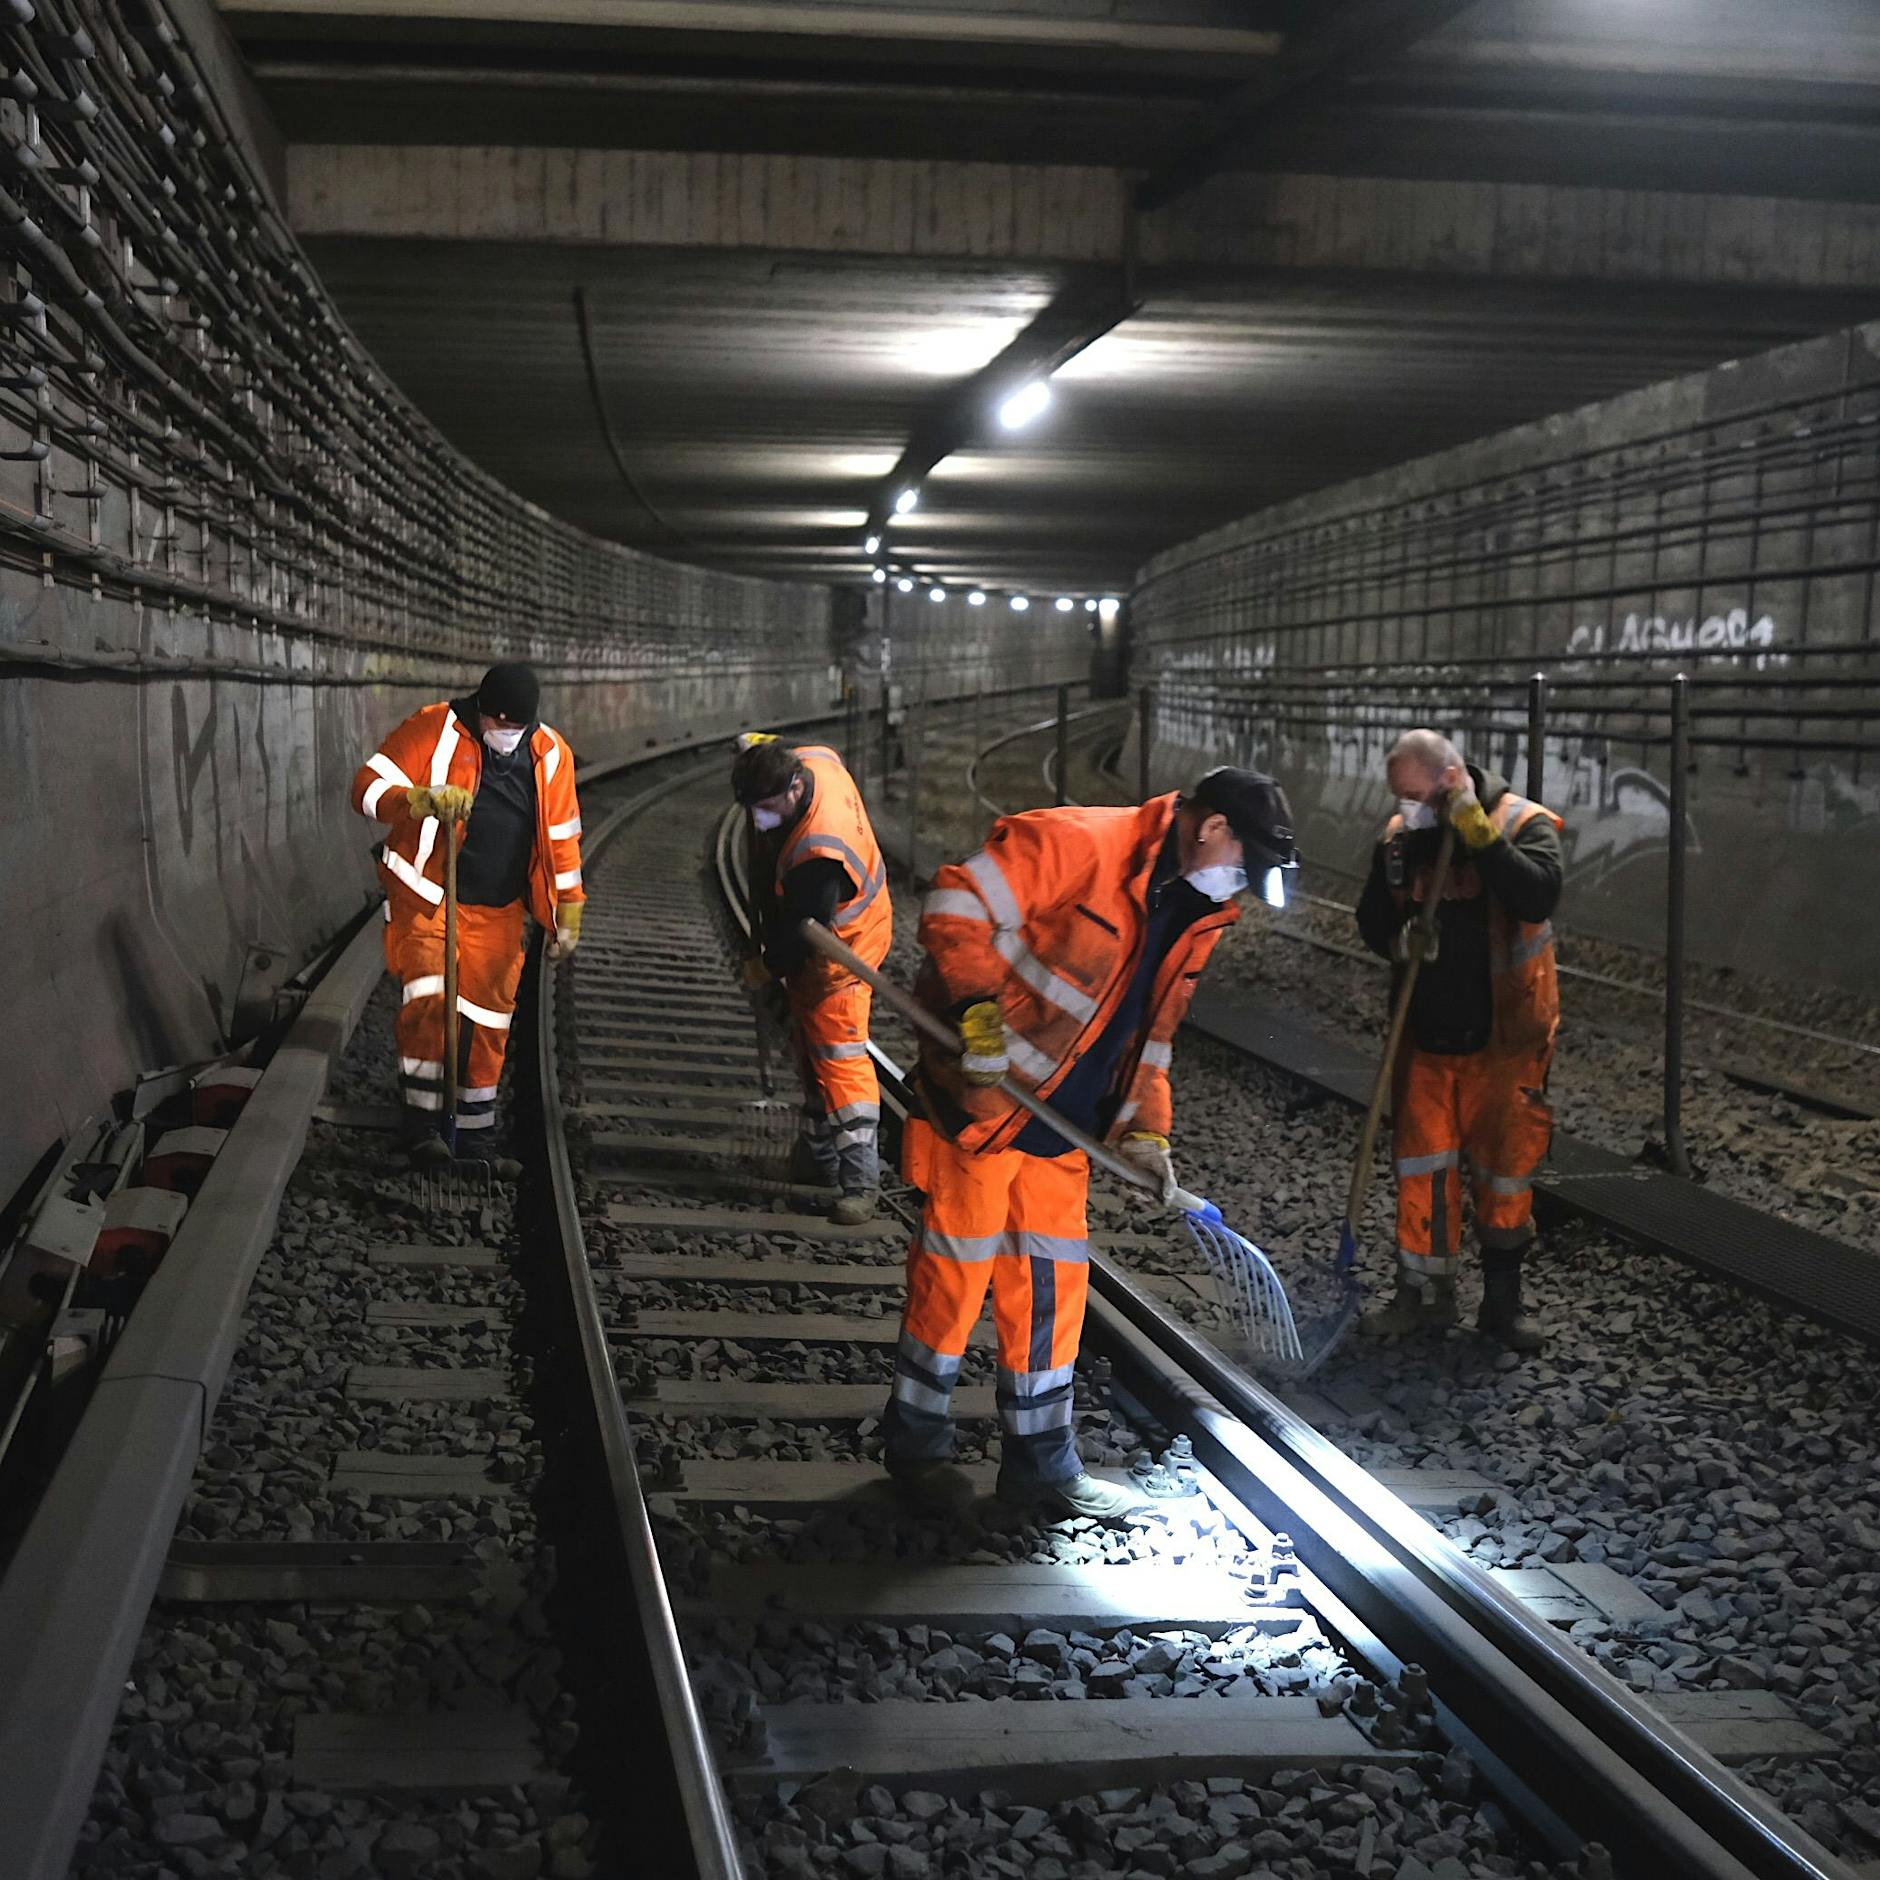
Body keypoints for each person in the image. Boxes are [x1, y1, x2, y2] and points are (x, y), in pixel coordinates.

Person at [883, 768, 1297, 1518]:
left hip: (1062, 1129)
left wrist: (1146, 1131)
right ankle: (915, 1446)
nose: (1237, 887)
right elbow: (954, 902)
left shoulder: (1196, 914)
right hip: (981, 1106)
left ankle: (1041, 1465)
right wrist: (978, 1013)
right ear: (1212, 830)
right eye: (1242, 865)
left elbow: (1152, 1040)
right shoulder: (1079, 842)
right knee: (955, 1278)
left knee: (1050, 1292)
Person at [1354, 729, 1564, 1350]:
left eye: (1415, 796)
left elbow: (1538, 894)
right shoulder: (1400, 839)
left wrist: (1475, 830)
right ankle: (1422, 1300)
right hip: (1425, 1039)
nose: (1405, 808)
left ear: (1450, 781)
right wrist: (1398, 938)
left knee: (1504, 1176)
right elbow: (1371, 920)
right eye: (1399, 797)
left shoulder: (1521, 823)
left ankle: (1503, 1306)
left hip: (1506, 1039)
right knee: (1422, 1174)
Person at [351, 661, 584, 1164]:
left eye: (516, 728)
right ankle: (421, 1129)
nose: (507, 736)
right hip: (428, 896)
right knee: (431, 1001)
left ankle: (473, 1138)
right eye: (500, 725)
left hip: (499, 911)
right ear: (482, 711)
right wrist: (415, 799)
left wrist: (568, 914)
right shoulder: (433, 727)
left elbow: (562, 838)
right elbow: (365, 788)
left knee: (487, 1022)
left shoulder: (549, 754)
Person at [732, 735, 891, 1223]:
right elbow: (798, 747)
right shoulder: (814, 759)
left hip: (842, 952)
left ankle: (861, 1182)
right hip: (838, 928)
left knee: (840, 1060)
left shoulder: (821, 853)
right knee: (809, 1049)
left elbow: (806, 935)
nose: (759, 819)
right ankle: (816, 1159)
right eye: (752, 808)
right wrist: (753, 745)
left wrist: (765, 966)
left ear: (795, 789)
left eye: (766, 808)